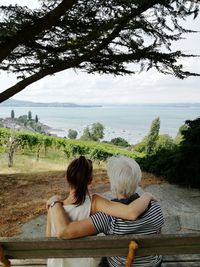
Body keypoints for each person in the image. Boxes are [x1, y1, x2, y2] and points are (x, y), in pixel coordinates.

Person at [47, 155, 164, 267]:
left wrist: (54, 202)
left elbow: (55, 237)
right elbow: (132, 213)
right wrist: (147, 195)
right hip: (152, 264)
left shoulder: (105, 217)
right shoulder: (156, 207)